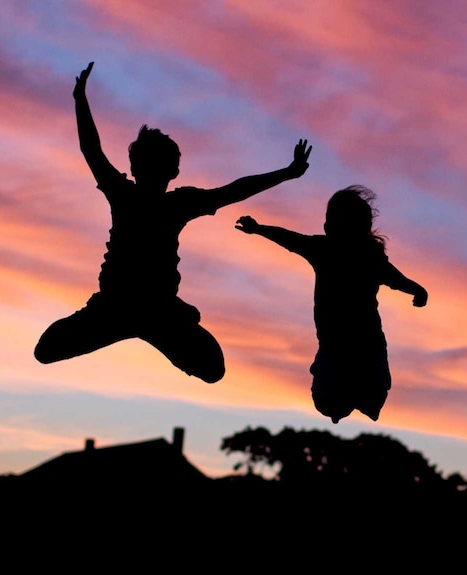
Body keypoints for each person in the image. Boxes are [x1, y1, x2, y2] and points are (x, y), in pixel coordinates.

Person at [34, 62, 312, 382]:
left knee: (213, 369)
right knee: (45, 351)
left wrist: (287, 173)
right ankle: (134, 328)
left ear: (168, 171)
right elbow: (91, 150)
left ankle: (148, 327)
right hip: (116, 308)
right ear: (143, 168)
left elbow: (234, 190)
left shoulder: (162, 200)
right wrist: (80, 100)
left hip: (155, 310)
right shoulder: (134, 196)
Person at [235, 186, 427, 423]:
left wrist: (417, 290)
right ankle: (350, 402)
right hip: (341, 349)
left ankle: (359, 400)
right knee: (332, 403)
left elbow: (395, 278)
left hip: (362, 348)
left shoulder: (361, 255)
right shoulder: (327, 249)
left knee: (361, 398)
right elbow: (289, 238)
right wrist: (259, 229)